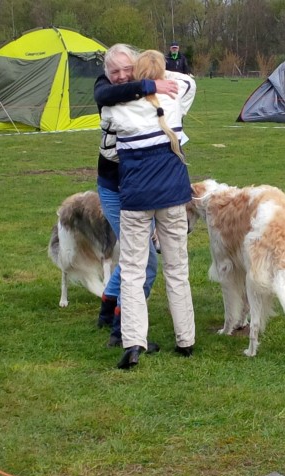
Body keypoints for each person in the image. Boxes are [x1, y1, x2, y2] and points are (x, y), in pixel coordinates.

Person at [100, 49, 196, 369]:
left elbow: (110, 152)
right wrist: (159, 79)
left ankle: (133, 343)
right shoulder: (176, 96)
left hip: (135, 198)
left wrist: (145, 85)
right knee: (177, 269)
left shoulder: (114, 109)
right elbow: (189, 81)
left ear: (136, 75)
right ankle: (185, 339)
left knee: (132, 271)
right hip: (173, 195)